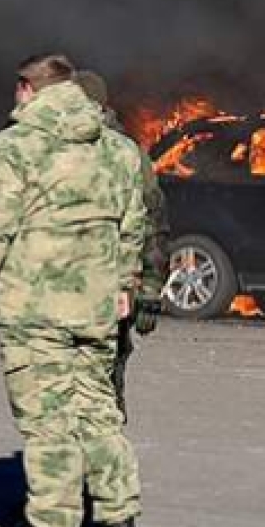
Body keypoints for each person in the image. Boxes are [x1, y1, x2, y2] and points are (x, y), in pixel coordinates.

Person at [0, 54, 148, 527]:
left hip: (34, 307)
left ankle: (52, 526)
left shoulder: (14, 147)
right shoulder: (119, 150)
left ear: (26, 89)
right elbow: (132, 224)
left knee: (47, 416)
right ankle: (119, 514)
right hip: (96, 303)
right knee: (98, 409)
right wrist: (125, 282)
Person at [72, 69, 171, 418]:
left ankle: (100, 463)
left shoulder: (127, 155)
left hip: (111, 292)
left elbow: (153, 225)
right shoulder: (54, 147)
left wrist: (150, 290)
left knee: (102, 392)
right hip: (62, 294)